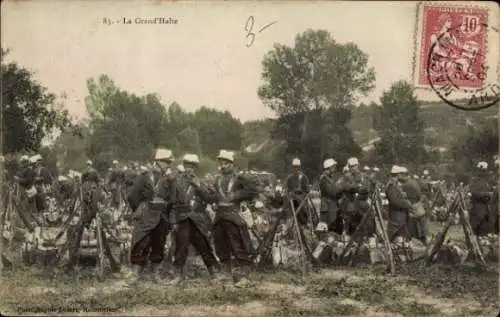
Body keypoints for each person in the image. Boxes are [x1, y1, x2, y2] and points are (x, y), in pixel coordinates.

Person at [167, 154, 223, 285]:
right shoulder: (176, 182)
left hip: (197, 220)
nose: (189, 169)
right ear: (184, 166)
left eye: (192, 167)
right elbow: (172, 204)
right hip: (182, 218)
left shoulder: (199, 182)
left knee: (204, 246)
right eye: (187, 166)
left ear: (195, 168)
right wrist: (173, 221)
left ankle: (214, 273)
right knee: (181, 246)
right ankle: (178, 275)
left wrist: (199, 186)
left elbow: (209, 199)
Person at [212, 149, 260, 287]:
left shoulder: (239, 178)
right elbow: (214, 196)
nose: (223, 165)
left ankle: (245, 276)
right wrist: (213, 201)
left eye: (226, 163)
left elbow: (253, 191)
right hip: (219, 215)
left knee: (237, 244)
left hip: (233, 216)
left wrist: (236, 195)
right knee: (220, 244)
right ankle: (226, 273)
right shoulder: (217, 179)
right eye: (221, 162)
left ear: (232, 164)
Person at [127, 148, 175, 285]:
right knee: (141, 243)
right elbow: (132, 196)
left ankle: (155, 275)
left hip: (162, 216)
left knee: (159, 244)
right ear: (158, 162)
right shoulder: (144, 176)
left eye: (169, 163)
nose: (167, 165)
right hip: (146, 215)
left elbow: (172, 199)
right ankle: (135, 275)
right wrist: (140, 209)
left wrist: (168, 214)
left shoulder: (169, 179)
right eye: (165, 162)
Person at [386, 165, 412, 246]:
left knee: (403, 240)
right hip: (396, 217)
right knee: (398, 241)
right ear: (398, 175)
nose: (403, 176)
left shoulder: (395, 184)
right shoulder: (391, 185)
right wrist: (406, 204)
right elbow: (395, 201)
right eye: (402, 174)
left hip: (400, 217)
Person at [469, 161, 495, 238]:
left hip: (485, 210)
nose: (484, 173)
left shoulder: (486, 182)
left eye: (485, 171)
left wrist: (491, 193)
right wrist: (487, 194)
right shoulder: (475, 181)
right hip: (478, 209)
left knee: (486, 232)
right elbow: (474, 193)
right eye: (482, 171)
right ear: (478, 171)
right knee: (477, 231)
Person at [318, 158, 343, 234]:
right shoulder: (324, 178)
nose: (335, 168)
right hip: (328, 205)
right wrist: (340, 189)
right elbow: (332, 192)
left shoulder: (330, 177)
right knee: (328, 227)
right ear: (329, 167)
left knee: (334, 227)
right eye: (333, 166)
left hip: (332, 204)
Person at [283, 158, 310, 226]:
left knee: (304, 213)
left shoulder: (304, 177)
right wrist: (289, 192)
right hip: (292, 200)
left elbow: (307, 190)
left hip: (302, 200)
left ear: (300, 167)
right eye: (294, 167)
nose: (296, 168)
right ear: (292, 167)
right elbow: (286, 188)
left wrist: (301, 193)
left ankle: (306, 222)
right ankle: (289, 222)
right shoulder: (289, 177)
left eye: (297, 167)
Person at [404, 172, 428, 246]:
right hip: (417, 204)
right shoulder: (415, 184)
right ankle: (423, 238)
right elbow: (419, 194)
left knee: (410, 222)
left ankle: (410, 238)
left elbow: (403, 196)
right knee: (421, 222)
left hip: (409, 204)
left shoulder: (405, 185)